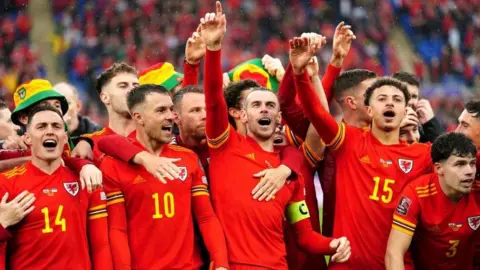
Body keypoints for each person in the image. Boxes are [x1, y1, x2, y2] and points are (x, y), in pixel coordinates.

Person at [202, 2, 350, 268]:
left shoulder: (291, 174)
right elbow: (213, 100)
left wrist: (334, 243)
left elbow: (304, 236)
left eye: (270, 106)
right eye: (256, 105)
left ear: (279, 117)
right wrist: (213, 49)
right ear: (241, 115)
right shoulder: (225, 145)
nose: (264, 109)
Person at [291, 34, 433, 269]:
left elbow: (460, 160)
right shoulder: (349, 141)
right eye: (382, 98)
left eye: (397, 99)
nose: (390, 103)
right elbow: (316, 113)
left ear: (406, 109)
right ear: (369, 108)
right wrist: (299, 74)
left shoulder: (423, 154)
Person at [100, 84, 228, 269]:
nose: (170, 116)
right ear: (139, 117)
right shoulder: (114, 164)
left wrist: (221, 263)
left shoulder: (187, 158)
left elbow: (206, 217)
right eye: (161, 110)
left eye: (170, 109)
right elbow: (118, 230)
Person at [0, 105, 112, 269]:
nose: (50, 131)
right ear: (28, 138)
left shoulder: (85, 179)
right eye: (41, 126)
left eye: (56, 126)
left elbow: (101, 245)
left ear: (65, 137)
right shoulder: (6, 183)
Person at [385, 132, 479, 270]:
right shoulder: (417, 194)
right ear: (438, 168)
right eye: (460, 164)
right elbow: (394, 253)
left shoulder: (477, 192)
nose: (469, 171)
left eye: (472, 163)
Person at [392, 71, 443, 143]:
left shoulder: (421, 132)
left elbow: (443, 152)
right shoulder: (378, 126)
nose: (410, 102)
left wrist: (430, 123)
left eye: (414, 96)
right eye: (406, 96)